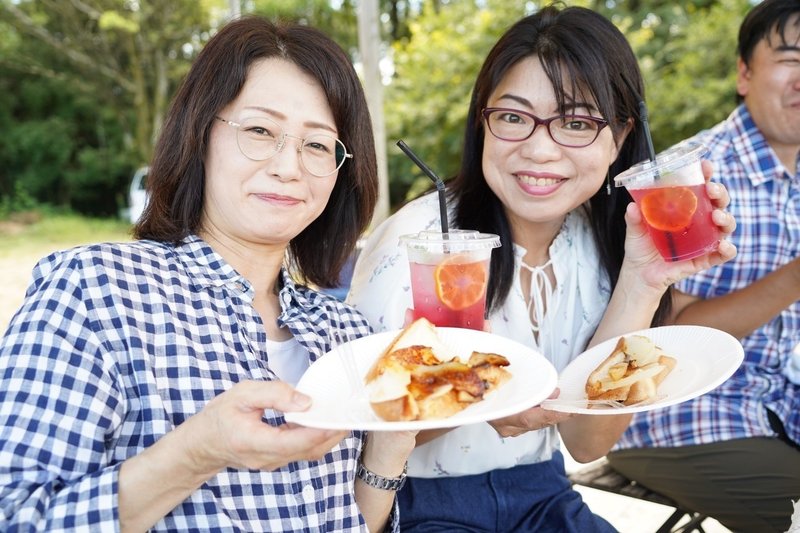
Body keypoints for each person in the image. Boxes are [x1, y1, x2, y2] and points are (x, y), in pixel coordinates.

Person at [0, 16, 416, 532]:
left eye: (316, 145)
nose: (289, 166)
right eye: (261, 131)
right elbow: (15, 517)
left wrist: (390, 447)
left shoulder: (348, 337)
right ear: (200, 135)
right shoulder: (94, 291)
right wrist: (198, 452)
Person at [347, 4, 737, 532]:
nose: (539, 149)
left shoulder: (597, 246)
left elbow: (585, 441)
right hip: (415, 506)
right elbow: (355, 441)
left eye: (575, 123)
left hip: (543, 494)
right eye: (512, 117)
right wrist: (472, 401)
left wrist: (642, 281)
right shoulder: (415, 249)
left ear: (620, 138)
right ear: (481, 121)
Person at [608, 1, 800, 531]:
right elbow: (664, 333)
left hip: (781, 405)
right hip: (686, 413)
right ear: (744, 73)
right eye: (791, 58)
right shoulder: (691, 179)